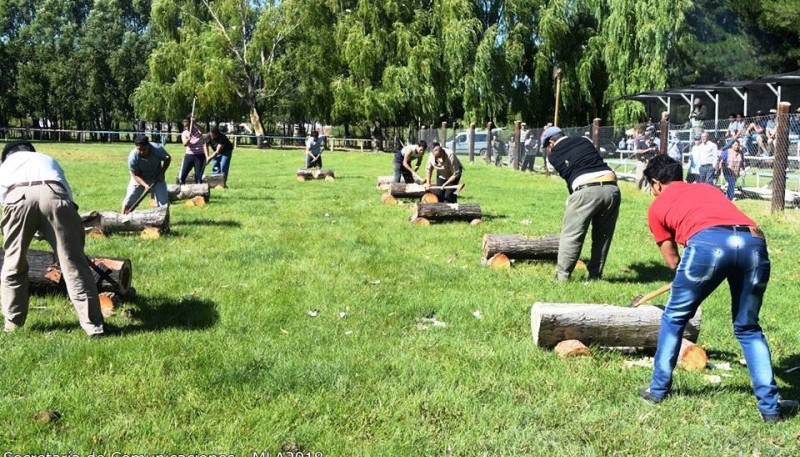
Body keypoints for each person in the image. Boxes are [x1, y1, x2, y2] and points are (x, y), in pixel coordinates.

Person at [638, 154, 790, 423]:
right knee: (748, 327)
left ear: (656, 183)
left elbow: (673, 260)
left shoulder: (657, 206)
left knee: (674, 318)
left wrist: (690, 277)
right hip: (753, 241)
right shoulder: (706, 188)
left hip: (707, 245)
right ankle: (770, 408)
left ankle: (658, 390)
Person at [0, 141, 105, 337]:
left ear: (7, 155)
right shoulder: (47, 159)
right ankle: (93, 326)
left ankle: (12, 325)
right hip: (55, 195)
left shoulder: (5, 166)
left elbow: (5, 202)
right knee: (74, 264)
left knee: (13, 264)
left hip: (17, 197)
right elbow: (68, 199)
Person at [542, 126, 621, 281]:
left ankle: (562, 277)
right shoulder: (584, 140)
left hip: (586, 190)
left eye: (546, 147)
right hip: (612, 188)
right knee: (603, 236)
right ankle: (595, 276)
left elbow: (569, 176)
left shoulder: (553, 157)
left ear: (551, 143)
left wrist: (573, 199)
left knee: (572, 235)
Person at [122, 135, 171, 213]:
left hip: (156, 177)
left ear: (148, 146)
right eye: (139, 149)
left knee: (163, 202)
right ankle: (122, 219)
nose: (141, 152)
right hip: (139, 178)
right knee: (130, 197)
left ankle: (162, 222)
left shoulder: (157, 149)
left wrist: (162, 172)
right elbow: (136, 175)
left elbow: (167, 158)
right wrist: (145, 185)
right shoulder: (133, 157)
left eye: (144, 149)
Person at [177, 116, 206, 184]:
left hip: (200, 156)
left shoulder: (197, 130)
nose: (185, 125)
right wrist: (188, 139)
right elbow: (185, 144)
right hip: (189, 156)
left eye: (187, 122)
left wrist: (195, 123)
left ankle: (199, 191)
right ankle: (182, 188)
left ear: (190, 123)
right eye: (184, 123)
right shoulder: (184, 133)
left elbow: (203, 131)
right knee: (183, 175)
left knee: (198, 177)